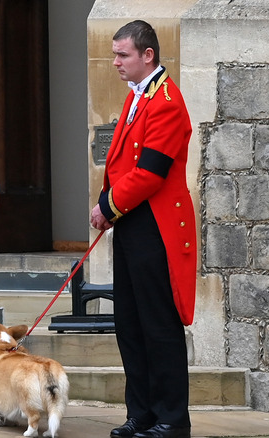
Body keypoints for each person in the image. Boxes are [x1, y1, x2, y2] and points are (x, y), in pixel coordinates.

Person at [90, 20, 196, 438]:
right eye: (115, 54)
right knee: (130, 323)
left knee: (157, 324)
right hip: (135, 222)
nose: (115, 61)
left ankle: (172, 418)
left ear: (147, 55)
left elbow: (151, 172)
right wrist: (113, 208)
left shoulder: (166, 100)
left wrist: (106, 207)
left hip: (156, 225)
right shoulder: (139, 97)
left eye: (123, 55)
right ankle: (143, 413)